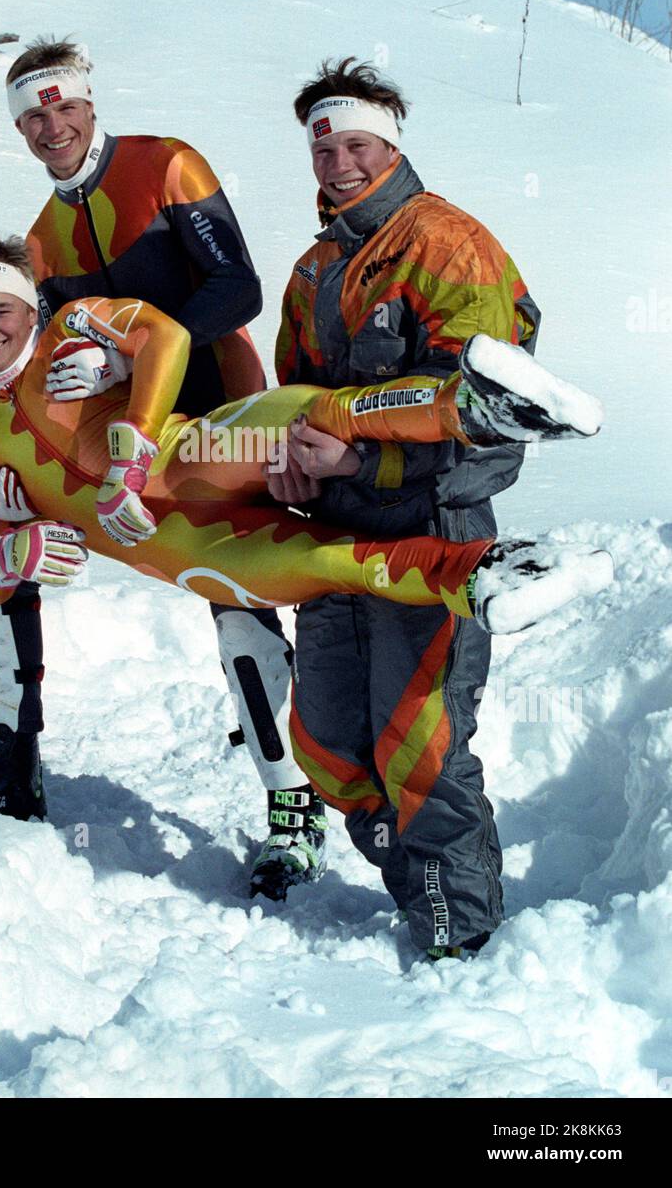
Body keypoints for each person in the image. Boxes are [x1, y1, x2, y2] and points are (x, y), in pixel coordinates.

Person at [0, 238, 611, 842]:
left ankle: (470, 407)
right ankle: (488, 573)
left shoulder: (69, 329)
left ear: (30, 310)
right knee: (333, 565)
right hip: (180, 545)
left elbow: (166, 336)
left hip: (189, 457)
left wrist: (129, 450)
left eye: (1, 309)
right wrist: (11, 552)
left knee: (310, 416)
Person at [0, 36, 325, 898]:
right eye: (33, 113)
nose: (50, 123)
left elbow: (238, 289)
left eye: (62, 104)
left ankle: (316, 785)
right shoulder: (41, 237)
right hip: (144, 446)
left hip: (229, 409)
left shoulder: (166, 164)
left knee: (278, 597)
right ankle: (293, 790)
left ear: (90, 104)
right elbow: (54, 354)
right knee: (233, 598)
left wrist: (130, 360)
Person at [269, 57, 550, 959]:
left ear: (391, 143)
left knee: (420, 750)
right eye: (325, 147)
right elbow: (293, 399)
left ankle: (461, 939)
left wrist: (362, 455)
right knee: (327, 744)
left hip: (432, 533)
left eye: (357, 144)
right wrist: (292, 466)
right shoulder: (314, 269)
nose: (339, 162)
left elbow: (490, 423)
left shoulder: (449, 245)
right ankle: (418, 890)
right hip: (333, 544)